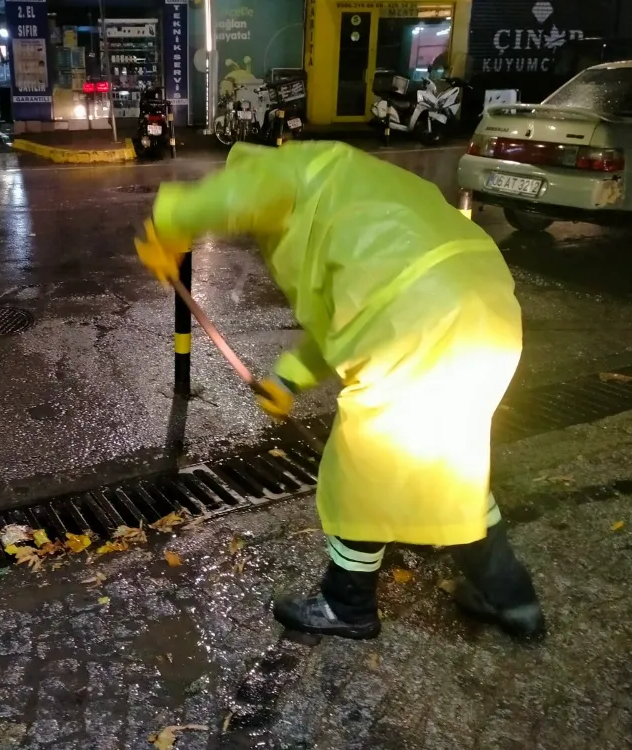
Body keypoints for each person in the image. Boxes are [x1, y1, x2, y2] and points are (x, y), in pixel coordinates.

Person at [134, 142, 544, 641]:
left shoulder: (288, 171)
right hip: (486, 309)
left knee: (360, 476)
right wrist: (288, 379)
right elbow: (342, 319)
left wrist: (172, 223)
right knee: (450, 467)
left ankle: (346, 605)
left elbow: (237, 193)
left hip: (413, 318)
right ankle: (511, 596)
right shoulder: (351, 190)